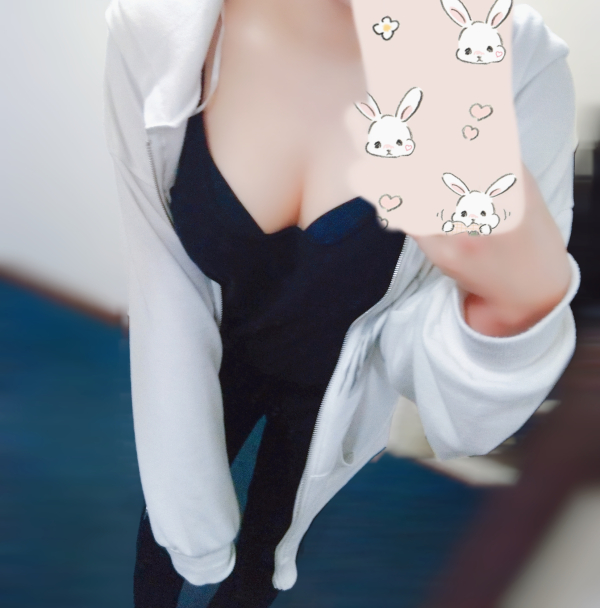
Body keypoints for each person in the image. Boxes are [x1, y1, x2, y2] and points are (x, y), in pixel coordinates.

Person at [103, 0, 580, 606]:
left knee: (269, 548)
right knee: (168, 525)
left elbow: (461, 415)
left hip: (332, 392)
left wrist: (518, 316)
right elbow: (161, 277)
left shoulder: (515, 64)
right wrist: (190, 527)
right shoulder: (156, 27)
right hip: (213, 357)